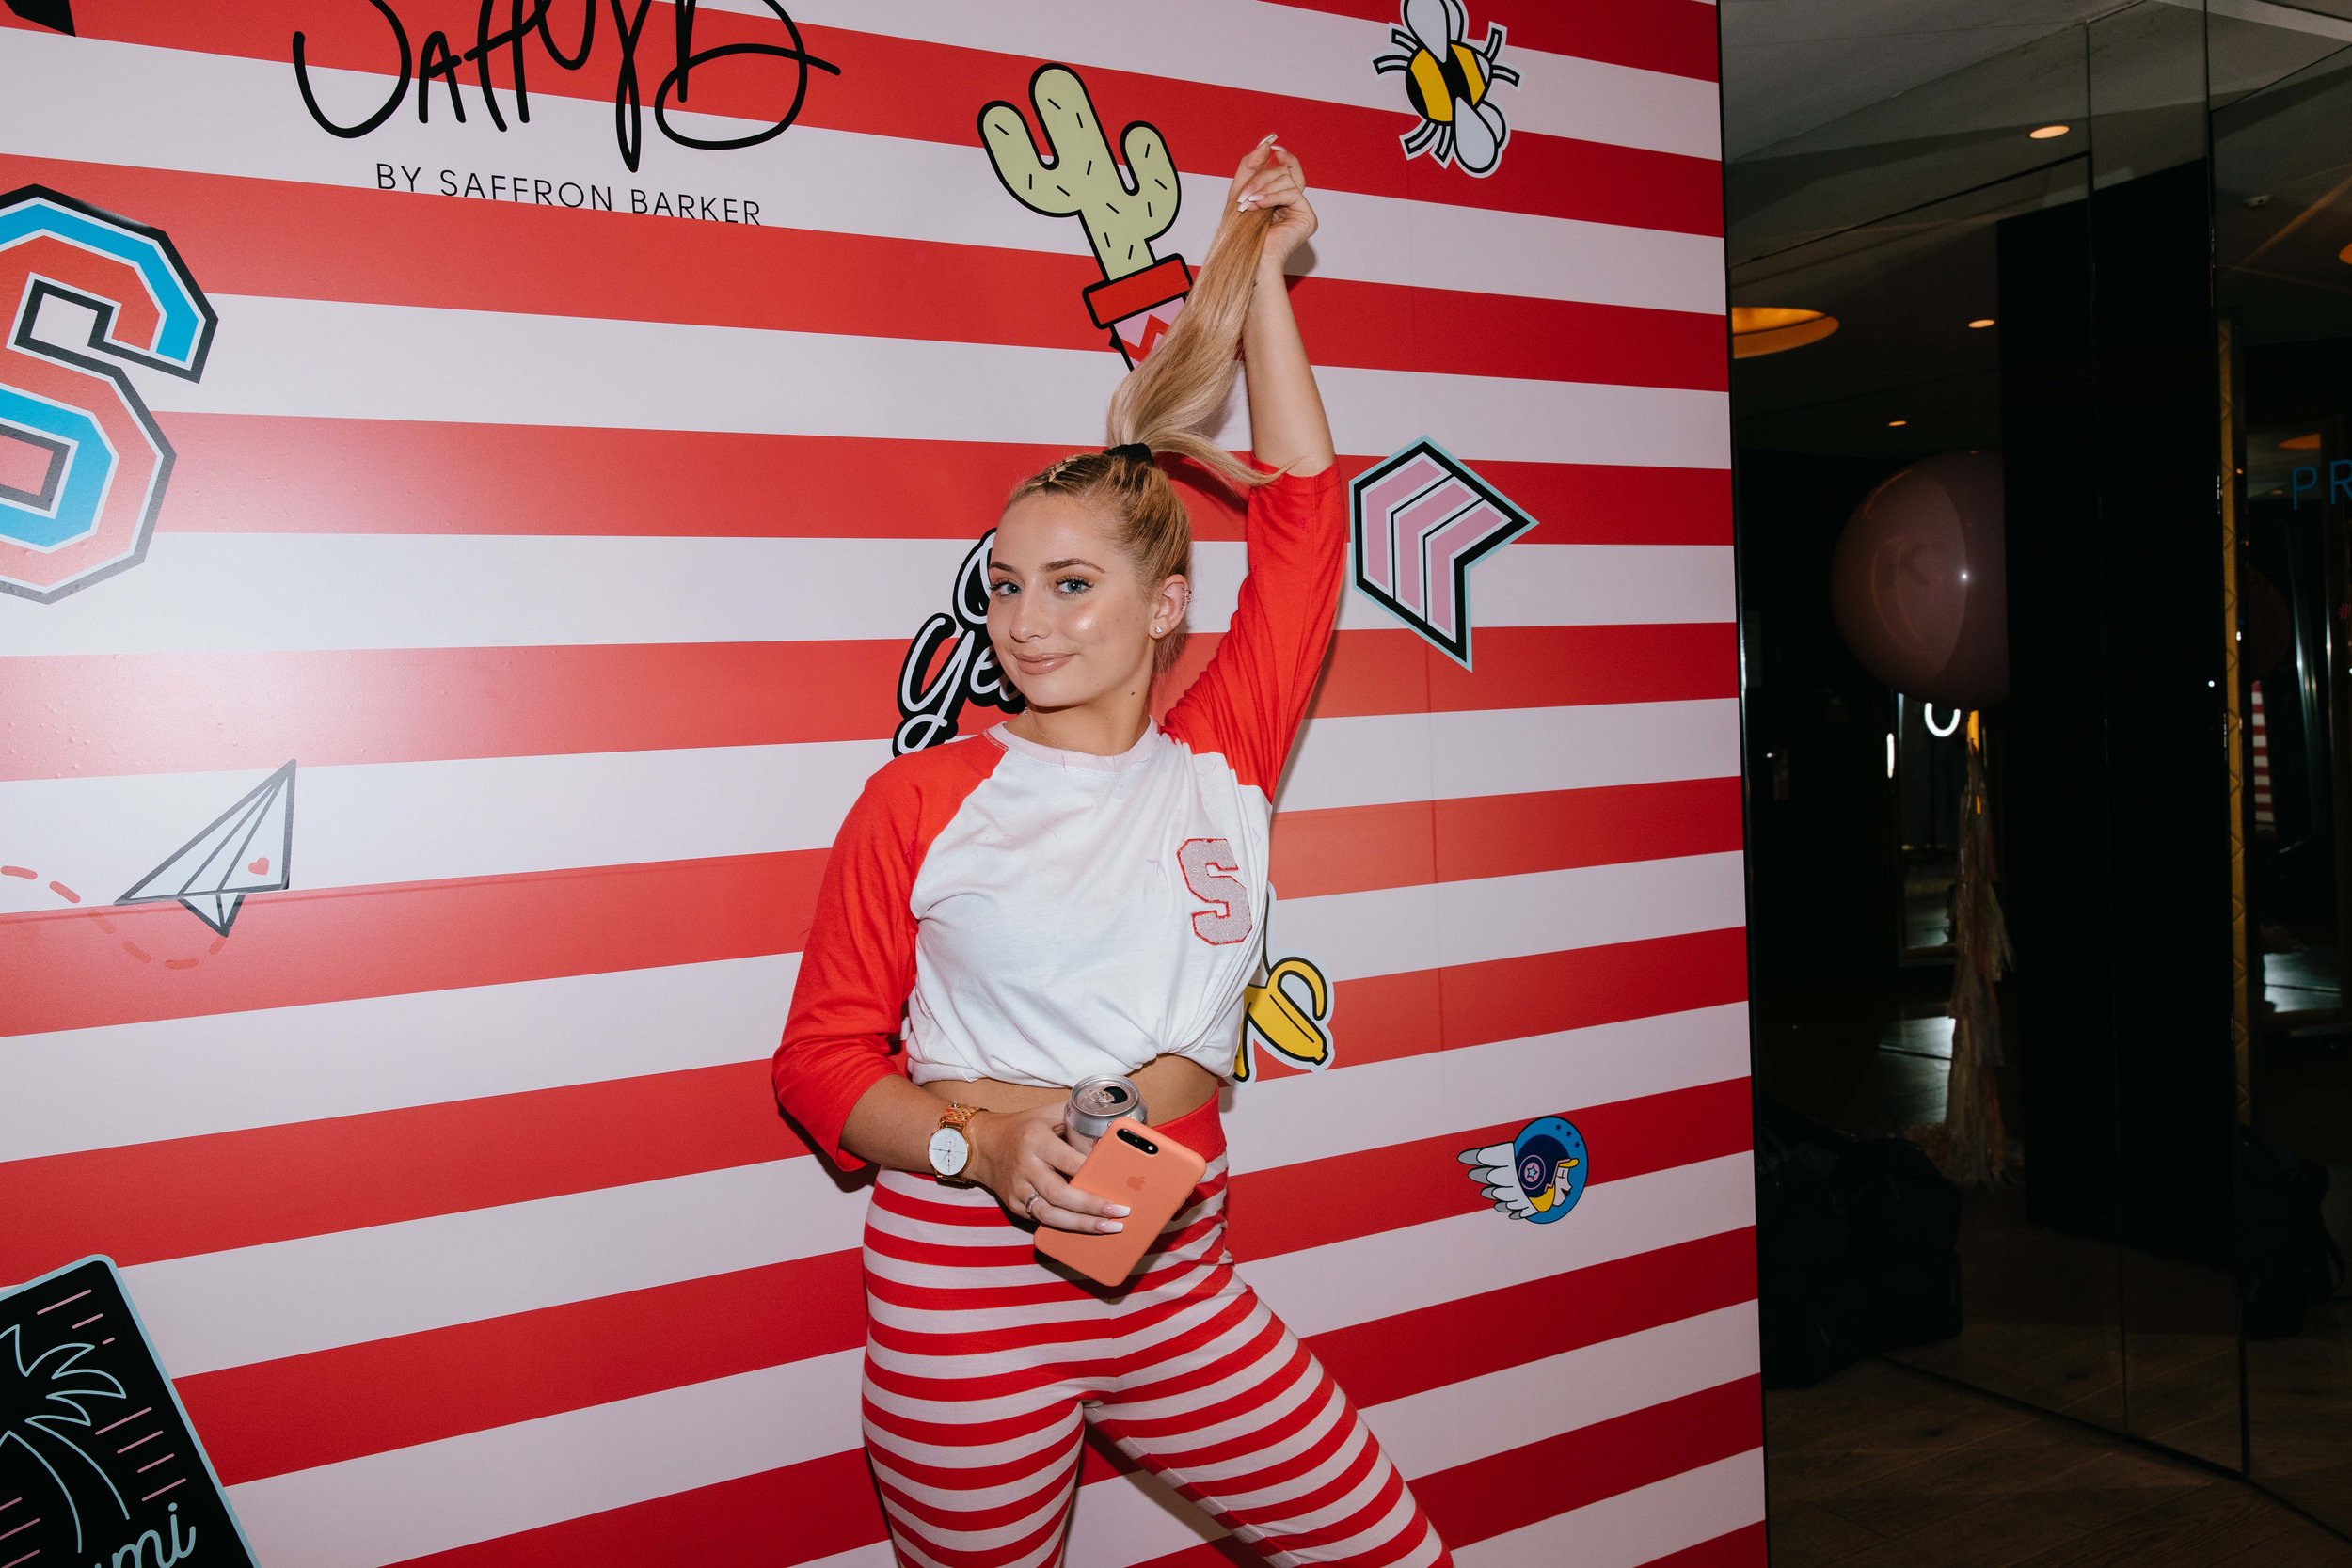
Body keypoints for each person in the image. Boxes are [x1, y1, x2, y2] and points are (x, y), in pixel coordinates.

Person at [773, 137, 1453, 1568]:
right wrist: (980, 1143)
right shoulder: (921, 797)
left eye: (1072, 584)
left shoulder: (1221, 757)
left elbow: (1306, 512)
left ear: (1166, 606)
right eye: (1007, 586)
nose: (1025, 622)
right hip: (965, 1294)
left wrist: (1262, 271)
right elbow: (820, 1065)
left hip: (1172, 1272)